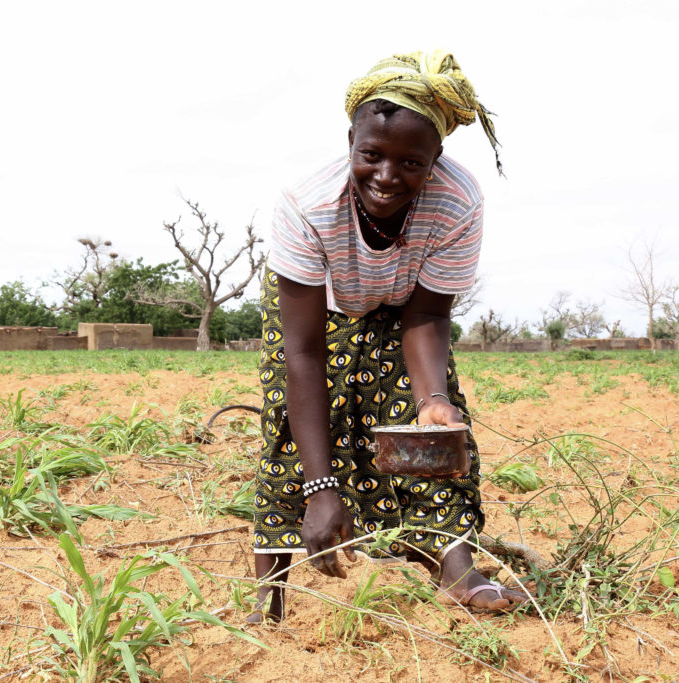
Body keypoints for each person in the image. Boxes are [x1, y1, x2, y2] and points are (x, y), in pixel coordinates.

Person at [249, 51, 528, 623]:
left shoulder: (457, 202)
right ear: (350, 139)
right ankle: (269, 594)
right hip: (313, 313)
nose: (387, 176)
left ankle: (455, 568)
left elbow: (427, 317)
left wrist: (432, 400)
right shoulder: (307, 204)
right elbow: (302, 353)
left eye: (411, 163)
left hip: (403, 308)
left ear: (437, 159)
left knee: (430, 432)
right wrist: (323, 487)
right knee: (290, 427)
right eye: (371, 155)